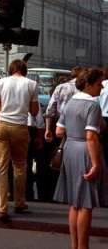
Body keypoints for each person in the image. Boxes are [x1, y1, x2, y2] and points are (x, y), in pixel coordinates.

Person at [53, 67, 107, 249]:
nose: (101, 88)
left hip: (70, 149)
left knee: (74, 203)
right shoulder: (92, 104)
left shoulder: (69, 103)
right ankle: (83, 247)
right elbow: (91, 137)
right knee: (85, 204)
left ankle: (75, 245)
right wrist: (96, 164)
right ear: (89, 84)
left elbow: (59, 131)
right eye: (99, 84)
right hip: (85, 150)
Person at [0, 59, 39, 224]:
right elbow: (34, 112)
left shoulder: (0, 83)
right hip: (20, 127)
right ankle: (20, 202)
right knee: (20, 166)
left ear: (10, 69)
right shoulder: (32, 84)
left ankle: (1, 208)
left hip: (1, 127)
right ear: (24, 70)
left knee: (1, 168)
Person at [45, 67, 83, 143]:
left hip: (59, 124)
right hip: (78, 126)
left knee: (60, 149)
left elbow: (50, 109)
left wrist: (47, 129)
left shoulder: (60, 87)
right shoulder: (84, 88)